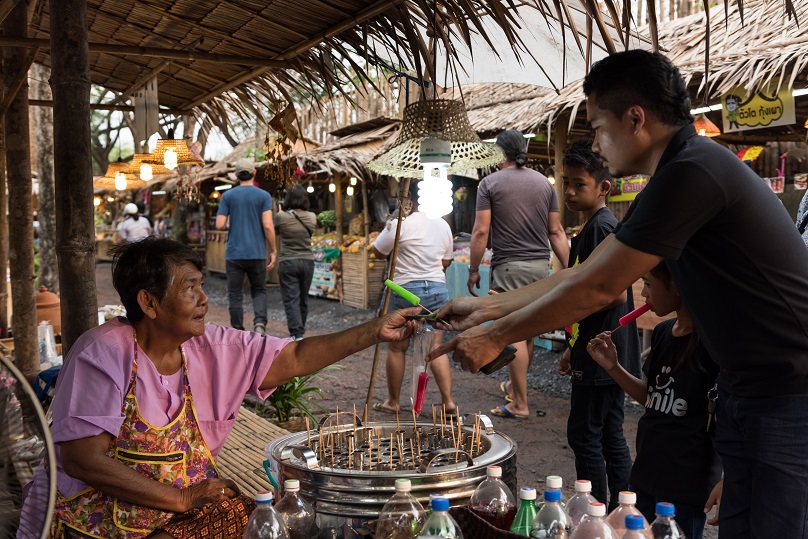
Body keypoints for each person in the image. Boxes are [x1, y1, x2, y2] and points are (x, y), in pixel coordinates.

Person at [429, 50, 808, 537]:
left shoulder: (695, 170)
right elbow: (581, 273)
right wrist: (484, 307)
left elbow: (602, 288)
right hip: (747, 387)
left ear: (636, 119)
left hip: (789, 389)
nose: (596, 142)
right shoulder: (673, 175)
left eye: (598, 126)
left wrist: (497, 334)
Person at [18, 237, 419, 539]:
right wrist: (183, 500)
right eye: (189, 288)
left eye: (201, 287)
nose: (204, 300)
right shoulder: (104, 352)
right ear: (149, 302)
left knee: (258, 521)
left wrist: (375, 331)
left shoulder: (211, 347)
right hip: (92, 516)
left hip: (174, 513)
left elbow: (295, 358)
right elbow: (82, 460)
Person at [587, 263, 722, 538]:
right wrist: (613, 367)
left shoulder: (713, 344)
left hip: (687, 482)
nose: (644, 294)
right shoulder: (662, 332)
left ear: (677, 286)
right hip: (647, 471)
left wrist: (727, 477)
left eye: (649, 284)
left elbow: (729, 416)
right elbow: (652, 396)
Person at [556, 140, 640, 511]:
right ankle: (623, 508)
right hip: (599, 348)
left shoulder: (600, 229)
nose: (570, 192)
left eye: (579, 184)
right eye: (566, 183)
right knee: (607, 433)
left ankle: (596, 511)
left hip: (603, 350)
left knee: (584, 434)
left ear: (604, 187)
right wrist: (573, 344)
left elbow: (615, 295)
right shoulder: (596, 227)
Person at [468, 129, 569, 419]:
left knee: (511, 332)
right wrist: (573, 267)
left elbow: (481, 231)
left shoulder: (489, 183)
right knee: (528, 331)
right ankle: (515, 386)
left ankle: (520, 404)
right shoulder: (543, 184)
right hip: (540, 267)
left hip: (509, 267)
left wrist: (474, 270)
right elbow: (557, 232)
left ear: (499, 153)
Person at [372, 180, 457, 415]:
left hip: (404, 291)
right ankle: (448, 402)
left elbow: (378, 252)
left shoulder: (402, 225)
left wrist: (392, 222)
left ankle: (393, 401)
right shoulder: (443, 225)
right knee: (436, 347)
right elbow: (446, 262)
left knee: (397, 347)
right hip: (437, 289)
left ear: (410, 200)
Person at [215, 158, 277, 335]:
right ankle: (259, 323)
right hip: (256, 253)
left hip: (234, 254)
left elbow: (219, 224)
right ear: (254, 173)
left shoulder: (228, 196)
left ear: (236, 175)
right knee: (259, 290)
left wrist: (230, 221)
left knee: (235, 294)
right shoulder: (263, 196)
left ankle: (237, 330)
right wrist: (273, 250)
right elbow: (267, 225)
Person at [274, 184, 317, 340]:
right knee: (303, 298)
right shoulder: (312, 217)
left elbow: (277, 232)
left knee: (291, 298)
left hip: (288, 261)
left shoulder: (280, 217)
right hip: (307, 261)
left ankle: (296, 333)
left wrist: (281, 212)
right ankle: (301, 329)